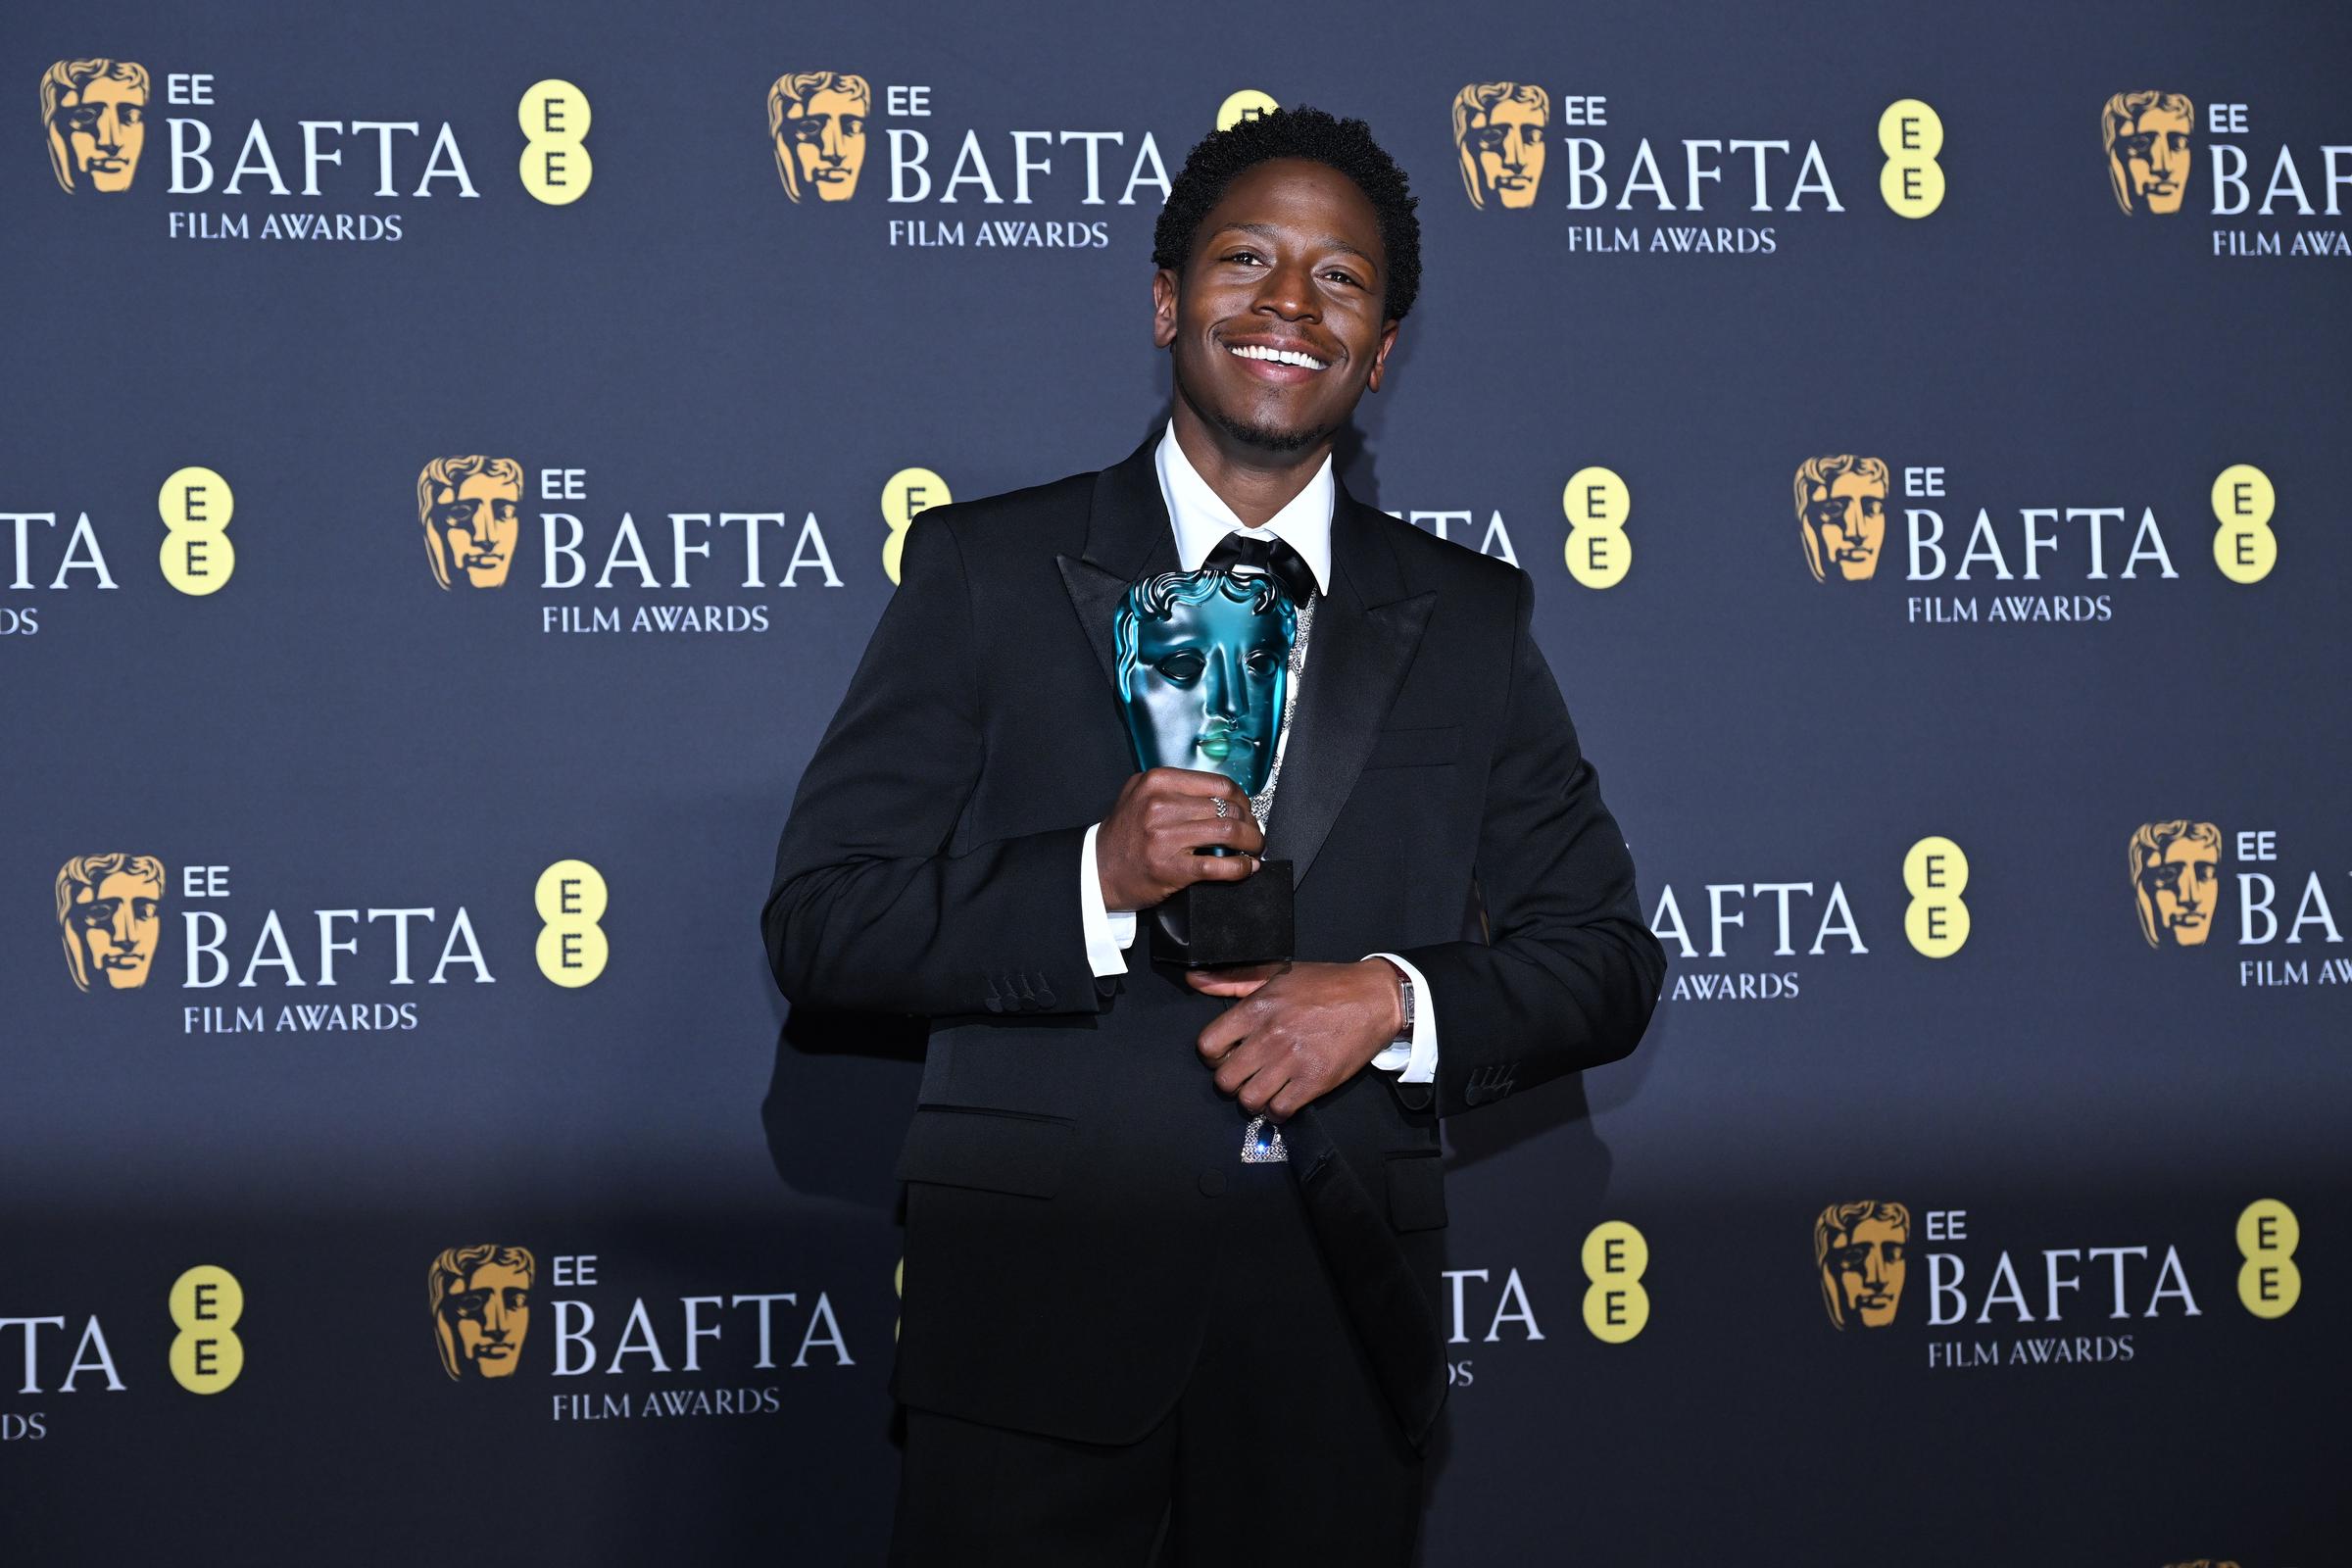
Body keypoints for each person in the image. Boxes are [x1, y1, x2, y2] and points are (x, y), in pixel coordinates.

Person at [763, 106, 1664, 1565]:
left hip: (1336, 1326)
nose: (1289, 304)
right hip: (1031, 1335)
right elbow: (821, 922)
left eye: (1342, 280)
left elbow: (1607, 963)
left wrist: (1387, 1000)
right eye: (1247, 258)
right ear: (1169, 298)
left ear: (1380, 353)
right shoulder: (984, 570)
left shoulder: (1472, 620)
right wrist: (1091, 882)